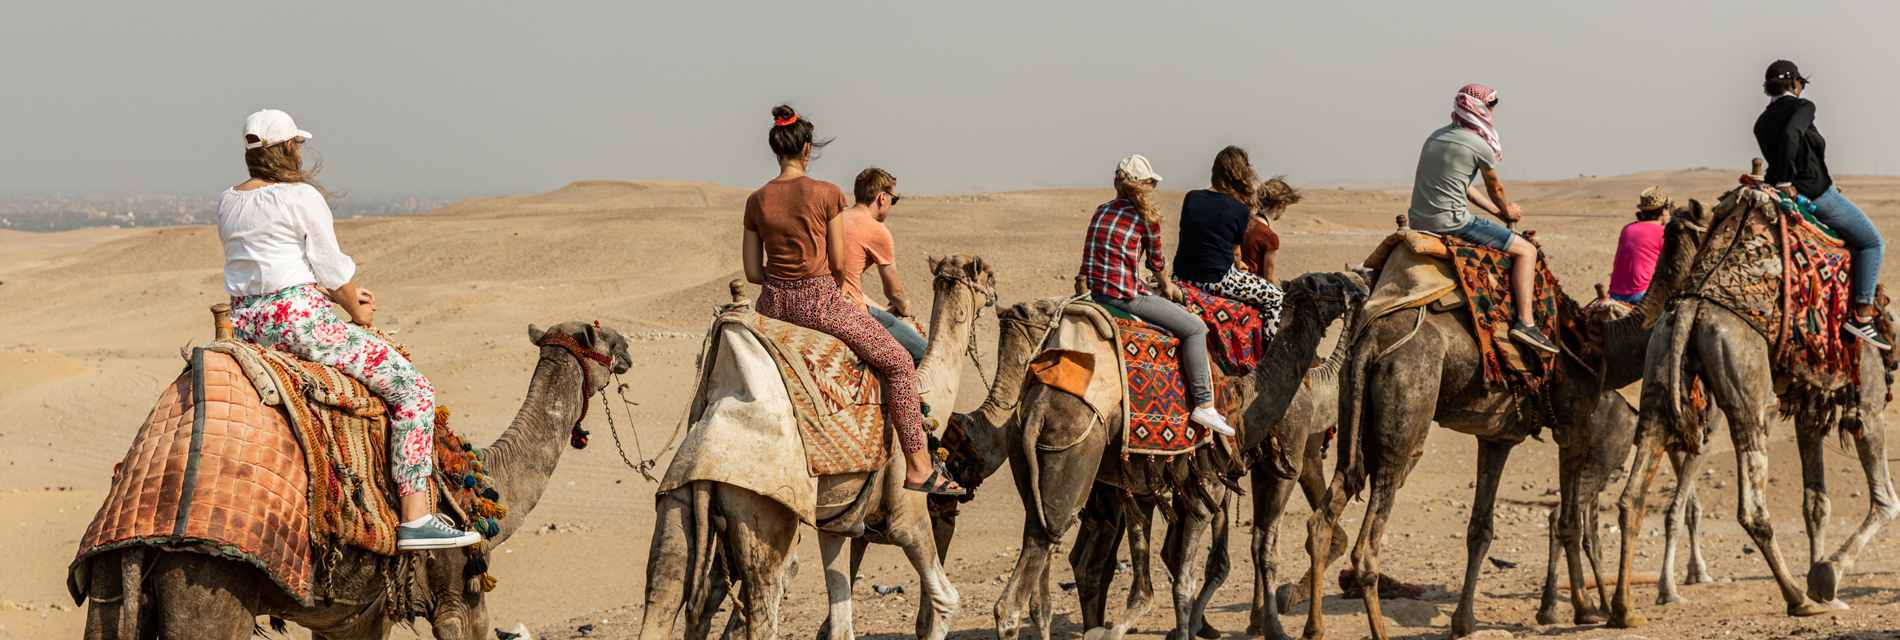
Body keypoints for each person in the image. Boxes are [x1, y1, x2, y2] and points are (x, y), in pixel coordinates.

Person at [217, 110, 479, 550]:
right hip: (301, 324)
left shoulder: (228, 199)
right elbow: (331, 269)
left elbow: (272, 264)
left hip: (246, 326)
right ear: (286, 149)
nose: (300, 151)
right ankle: (416, 516)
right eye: (296, 145)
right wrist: (357, 310)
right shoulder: (299, 197)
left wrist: (343, 297)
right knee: (414, 391)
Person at [741, 106, 963, 495]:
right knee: (896, 362)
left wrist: (781, 282)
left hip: (771, 307)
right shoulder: (827, 193)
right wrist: (823, 287)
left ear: (777, 149)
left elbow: (752, 273)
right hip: (821, 303)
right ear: (807, 148)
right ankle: (917, 467)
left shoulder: (756, 201)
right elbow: (839, 264)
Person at [1079, 154, 1233, 437]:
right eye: (1152, 183)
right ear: (1145, 185)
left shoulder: (1102, 209)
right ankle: (1205, 405)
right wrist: (1167, 287)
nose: (1154, 188)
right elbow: (1157, 263)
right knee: (1196, 328)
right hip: (1123, 295)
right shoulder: (1146, 216)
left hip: (1096, 293)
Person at [1407, 83, 1559, 353]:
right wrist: (1508, 211)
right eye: (1492, 105)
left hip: (1418, 222)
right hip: (1453, 224)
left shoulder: (1436, 137)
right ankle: (1526, 323)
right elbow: (1496, 188)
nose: (1493, 111)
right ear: (1481, 108)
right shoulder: (1479, 145)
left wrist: (1496, 212)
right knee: (1526, 250)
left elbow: (1461, 185)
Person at [1754, 60, 1890, 350]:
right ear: (1794, 84)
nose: (1801, 88)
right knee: (1872, 243)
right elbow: (1792, 135)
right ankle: (1863, 318)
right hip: (1815, 194)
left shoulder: (1761, 122)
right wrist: (1787, 180)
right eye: (1800, 83)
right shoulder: (1803, 107)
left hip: (1779, 192)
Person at [1172, 146, 1285, 334]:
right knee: (1276, 298)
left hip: (1180, 275)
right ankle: (1271, 356)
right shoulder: (1239, 208)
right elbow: (1235, 254)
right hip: (1214, 280)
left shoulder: (1191, 197)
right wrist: (1240, 267)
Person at [840, 167, 927, 364]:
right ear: (882, 198)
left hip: (826, 300)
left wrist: (882, 310)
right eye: (893, 200)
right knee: (924, 352)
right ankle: (908, 396)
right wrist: (903, 307)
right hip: (850, 312)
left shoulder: (836, 218)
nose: (891, 204)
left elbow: (847, 284)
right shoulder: (877, 230)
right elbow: (894, 292)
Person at [1607, 187, 1672, 305]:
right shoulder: (1662, 232)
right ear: (1664, 211)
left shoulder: (1627, 229)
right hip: (1641, 295)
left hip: (1613, 294)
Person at [1239, 177, 1301, 285]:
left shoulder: (1241, 222)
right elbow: (1269, 280)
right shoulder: (1269, 236)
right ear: (1280, 205)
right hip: (1251, 290)